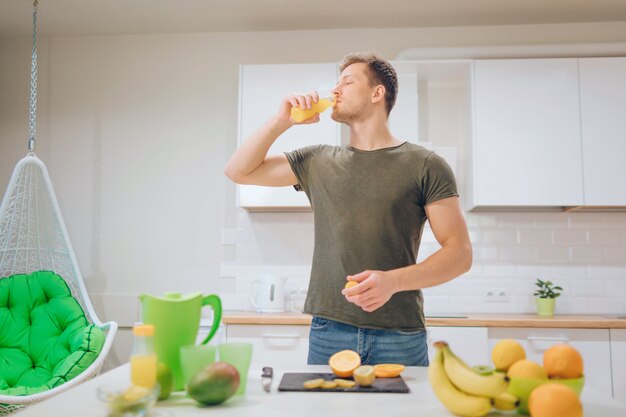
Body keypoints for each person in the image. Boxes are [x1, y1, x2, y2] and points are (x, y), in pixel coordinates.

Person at [224, 52, 472, 366]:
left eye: (348, 81)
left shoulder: (426, 165)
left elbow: (460, 253)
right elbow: (238, 171)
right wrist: (280, 122)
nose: (335, 90)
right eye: (336, 83)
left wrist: (392, 282)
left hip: (400, 334)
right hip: (329, 331)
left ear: (377, 93)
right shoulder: (317, 161)